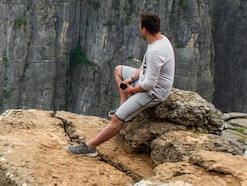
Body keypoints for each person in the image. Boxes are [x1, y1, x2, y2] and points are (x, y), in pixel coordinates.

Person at [68, 12, 175, 157]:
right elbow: (143, 67)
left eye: (139, 26)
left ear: (144, 30)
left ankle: (90, 147)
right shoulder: (160, 40)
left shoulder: (155, 51)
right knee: (118, 70)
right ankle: (123, 106)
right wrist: (130, 79)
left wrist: (133, 89)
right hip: (145, 82)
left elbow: (150, 84)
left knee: (117, 119)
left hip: (155, 92)